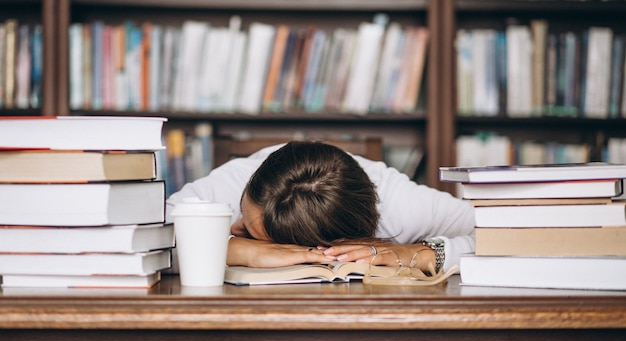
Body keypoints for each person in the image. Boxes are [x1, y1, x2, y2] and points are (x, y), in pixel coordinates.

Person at [166, 140, 475, 275]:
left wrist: (420, 254)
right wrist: (236, 249)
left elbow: (512, 235)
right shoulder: (242, 178)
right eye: (244, 218)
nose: (235, 228)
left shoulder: (400, 203)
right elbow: (141, 234)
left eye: (249, 233)